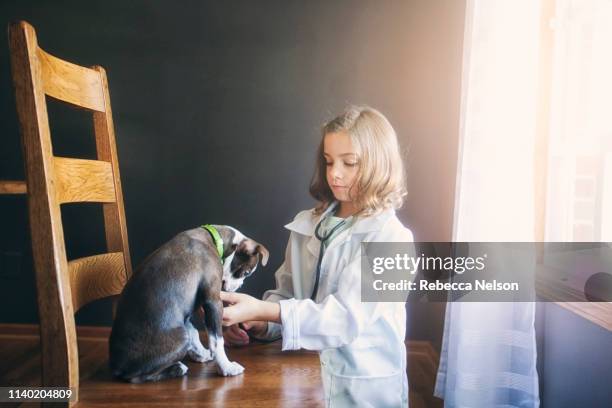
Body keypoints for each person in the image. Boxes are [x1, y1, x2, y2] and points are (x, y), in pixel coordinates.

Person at [220, 105, 414, 407]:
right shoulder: (307, 224)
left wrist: (263, 310)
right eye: (328, 162)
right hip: (305, 381)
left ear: (379, 164)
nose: (335, 173)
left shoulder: (392, 239)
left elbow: (344, 319)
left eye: (349, 163)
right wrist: (257, 321)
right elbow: (286, 295)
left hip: (363, 391)